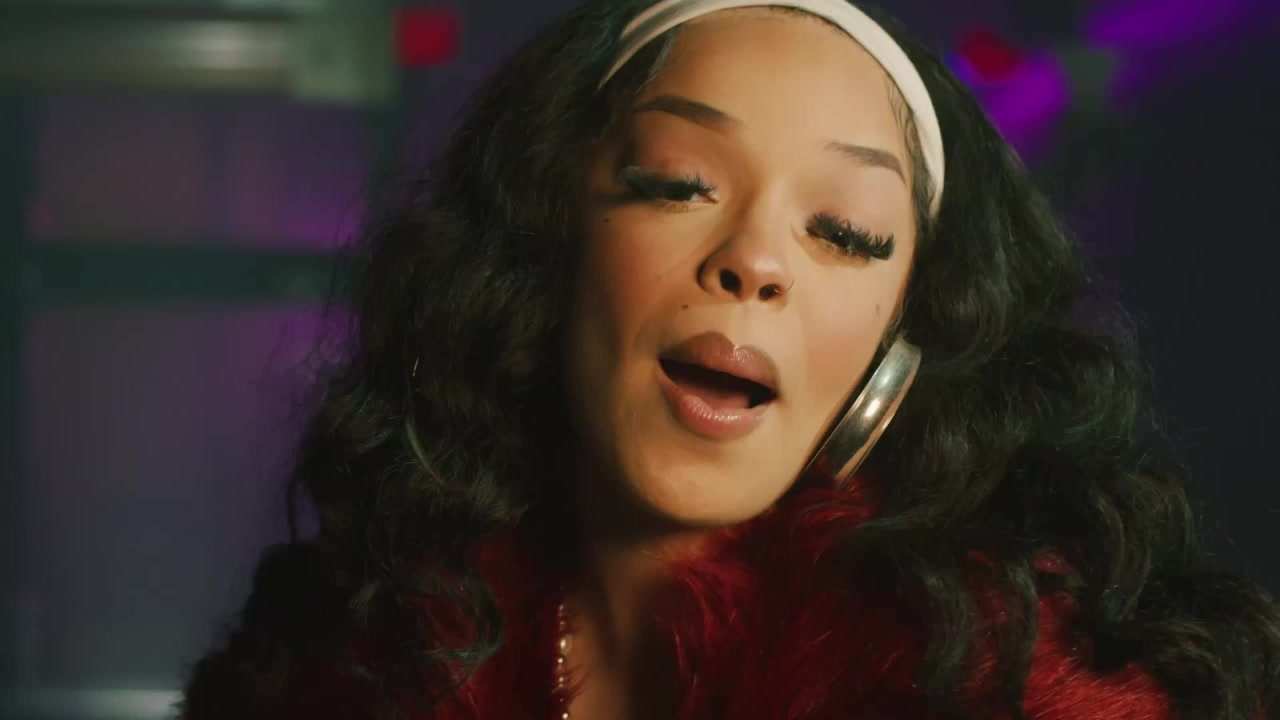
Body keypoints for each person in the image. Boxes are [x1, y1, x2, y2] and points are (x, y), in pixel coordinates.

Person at [179, 0, 1280, 718]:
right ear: (554, 245)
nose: (753, 260)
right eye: (677, 183)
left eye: (844, 231)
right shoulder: (335, 664)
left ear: (903, 344)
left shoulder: (1029, 695)